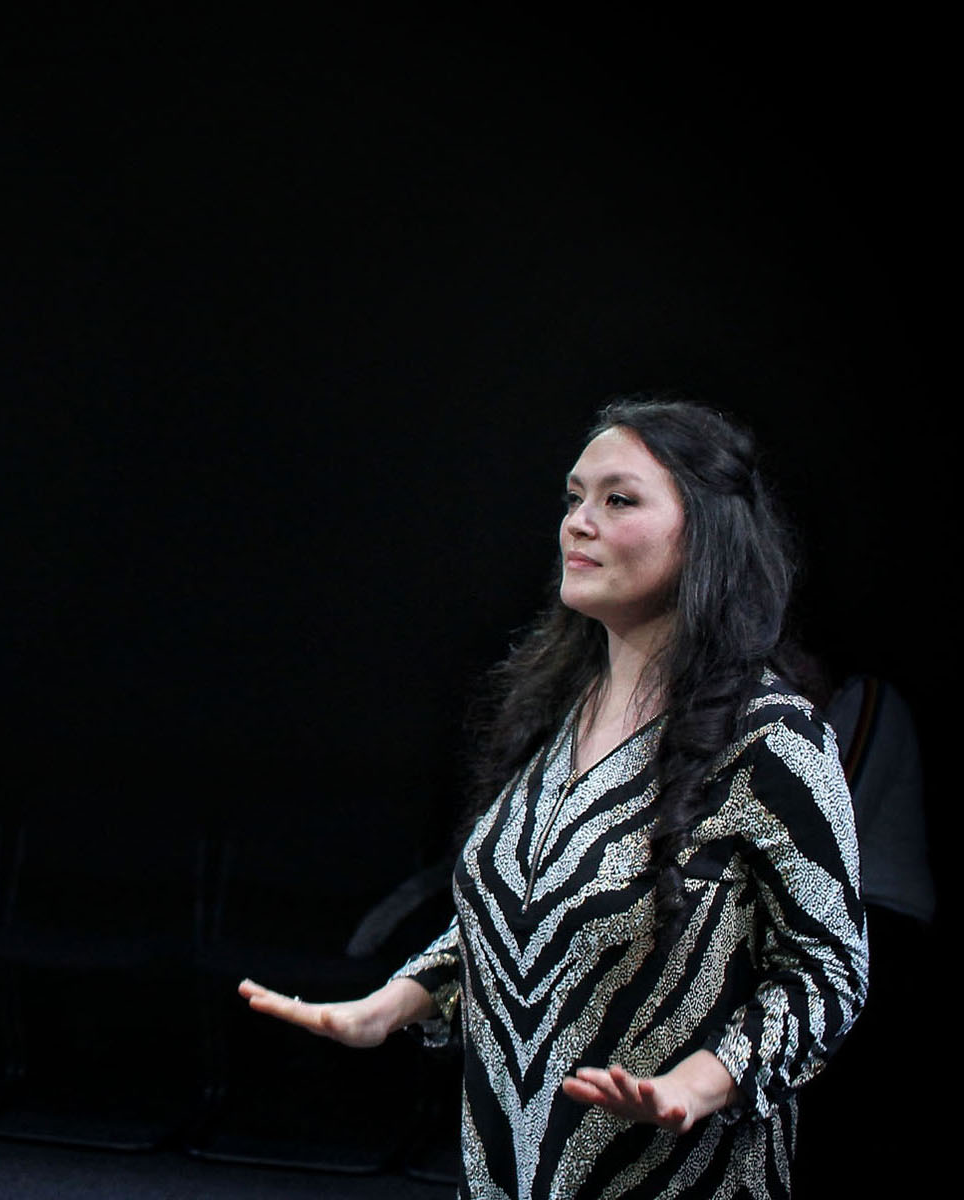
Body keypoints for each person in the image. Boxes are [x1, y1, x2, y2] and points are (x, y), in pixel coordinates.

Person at [241, 396, 867, 1198]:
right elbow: (524, 919)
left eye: (619, 500)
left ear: (705, 532)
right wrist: (392, 1004)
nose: (579, 522)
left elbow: (828, 974)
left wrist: (697, 1085)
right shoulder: (554, 713)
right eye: (574, 498)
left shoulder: (772, 736)